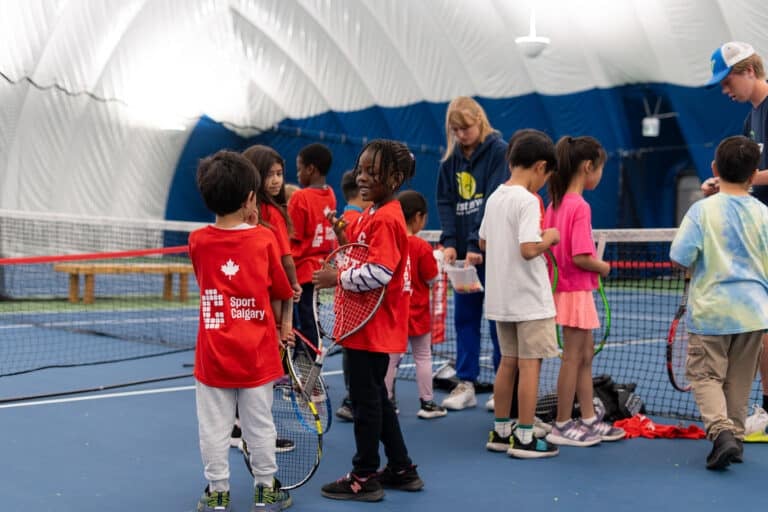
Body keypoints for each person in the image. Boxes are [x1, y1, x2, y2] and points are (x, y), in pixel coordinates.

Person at [314, 140, 422, 501]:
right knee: (376, 399)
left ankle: (364, 475)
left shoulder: (389, 217)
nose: (361, 177)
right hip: (364, 329)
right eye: (360, 170)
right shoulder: (372, 214)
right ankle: (402, 468)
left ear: (394, 178)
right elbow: (362, 257)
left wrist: (337, 279)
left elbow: (380, 271)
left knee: (366, 404)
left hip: (371, 330)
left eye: (371, 173)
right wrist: (344, 243)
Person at [189, 150, 295, 512]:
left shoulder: (197, 242)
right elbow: (280, 291)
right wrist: (284, 326)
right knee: (260, 425)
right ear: (252, 198)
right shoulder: (264, 240)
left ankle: (217, 492)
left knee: (214, 428)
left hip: (213, 355)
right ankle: (266, 490)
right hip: (257, 355)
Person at [670, 135, 768, 469]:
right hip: (754, 313)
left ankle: (721, 432)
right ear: (754, 173)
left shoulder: (701, 210)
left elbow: (679, 256)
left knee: (706, 376)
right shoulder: (764, 214)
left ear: (714, 169)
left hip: (711, 311)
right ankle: (735, 438)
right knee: (741, 379)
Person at [480, 130, 561, 458]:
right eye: (547, 176)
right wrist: (549, 237)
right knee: (530, 366)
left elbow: (484, 242)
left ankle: (502, 431)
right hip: (529, 300)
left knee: (508, 364)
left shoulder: (495, 197)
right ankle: (525, 436)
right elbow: (529, 249)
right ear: (540, 166)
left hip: (501, 301)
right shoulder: (527, 200)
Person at [542, 136, 625, 447]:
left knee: (585, 356)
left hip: (568, 291)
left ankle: (588, 418)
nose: (600, 174)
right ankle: (562, 423)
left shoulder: (555, 204)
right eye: (600, 168)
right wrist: (603, 267)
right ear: (588, 166)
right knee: (573, 359)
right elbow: (579, 257)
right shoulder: (579, 206)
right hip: (574, 292)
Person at [703, 41, 768, 417]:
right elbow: (745, 173)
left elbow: (748, 175)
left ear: (748, 70)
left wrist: (735, 181)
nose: (726, 91)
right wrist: (724, 184)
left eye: (728, 82)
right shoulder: (751, 119)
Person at [435, 96, 508, 411]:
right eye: (456, 129)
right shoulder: (449, 160)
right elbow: (445, 202)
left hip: (492, 254)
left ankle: (503, 386)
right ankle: (465, 383)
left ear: (480, 121)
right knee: (464, 318)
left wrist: (479, 241)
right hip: (464, 259)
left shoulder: (499, 152)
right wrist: (451, 241)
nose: (462, 135)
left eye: (466, 128)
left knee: (497, 320)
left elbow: (494, 197)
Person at [382, 190, 448, 420]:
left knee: (391, 359)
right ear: (418, 217)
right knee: (423, 356)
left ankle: (386, 401)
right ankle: (427, 403)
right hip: (418, 312)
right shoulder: (422, 247)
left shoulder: (391, 243)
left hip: (393, 312)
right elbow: (432, 278)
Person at [329, 170, 372, 422]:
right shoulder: (353, 220)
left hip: (347, 295)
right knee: (357, 351)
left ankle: (354, 397)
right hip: (355, 298)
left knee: (352, 350)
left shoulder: (345, 218)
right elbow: (355, 258)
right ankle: (354, 398)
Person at [288, 143, 337, 353]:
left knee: (299, 322)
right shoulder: (330, 194)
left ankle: (308, 363)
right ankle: (309, 359)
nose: (297, 174)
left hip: (302, 270)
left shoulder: (300, 197)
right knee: (311, 318)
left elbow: (292, 237)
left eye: (299, 168)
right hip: (321, 267)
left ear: (311, 169)